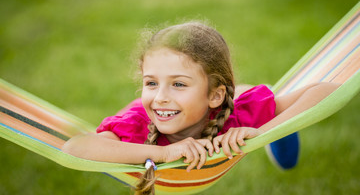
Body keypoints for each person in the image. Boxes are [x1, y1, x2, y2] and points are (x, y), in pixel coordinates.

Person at [62, 22, 339, 194]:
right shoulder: (135, 126)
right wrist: (164, 151)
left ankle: (269, 108)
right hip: (176, 114)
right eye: (151, 83)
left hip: (221, 108)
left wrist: (264, 130)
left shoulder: (235, 115)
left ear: (216, 97)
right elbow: (75, 147)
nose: (160, 97)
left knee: (259, 101)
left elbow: (326, 90)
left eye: (178, 84)